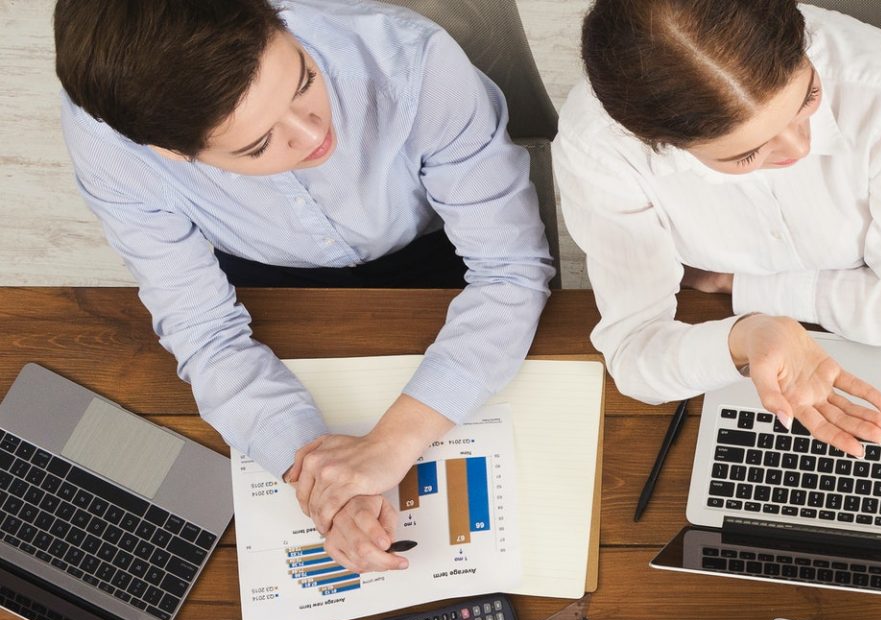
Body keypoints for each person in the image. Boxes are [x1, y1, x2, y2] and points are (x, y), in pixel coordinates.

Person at [53, 0, 554, 572]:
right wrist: (328, 485)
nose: (314, 133)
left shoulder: (412, 60)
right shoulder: (114, 147)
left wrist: (390, 445)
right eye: (258, 144)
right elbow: (205, 333)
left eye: (304, 80)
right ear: (171, 154)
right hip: (263, 276)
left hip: (432, 243)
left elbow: (508, 270)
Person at [554, 0, 881, 460]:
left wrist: (744, 287)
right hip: (773, 342)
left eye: (809, 98)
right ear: (659, 143)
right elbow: (634, 355)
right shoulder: (599, 149)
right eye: (747, 155)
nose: (802, 146)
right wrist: (744, 336)